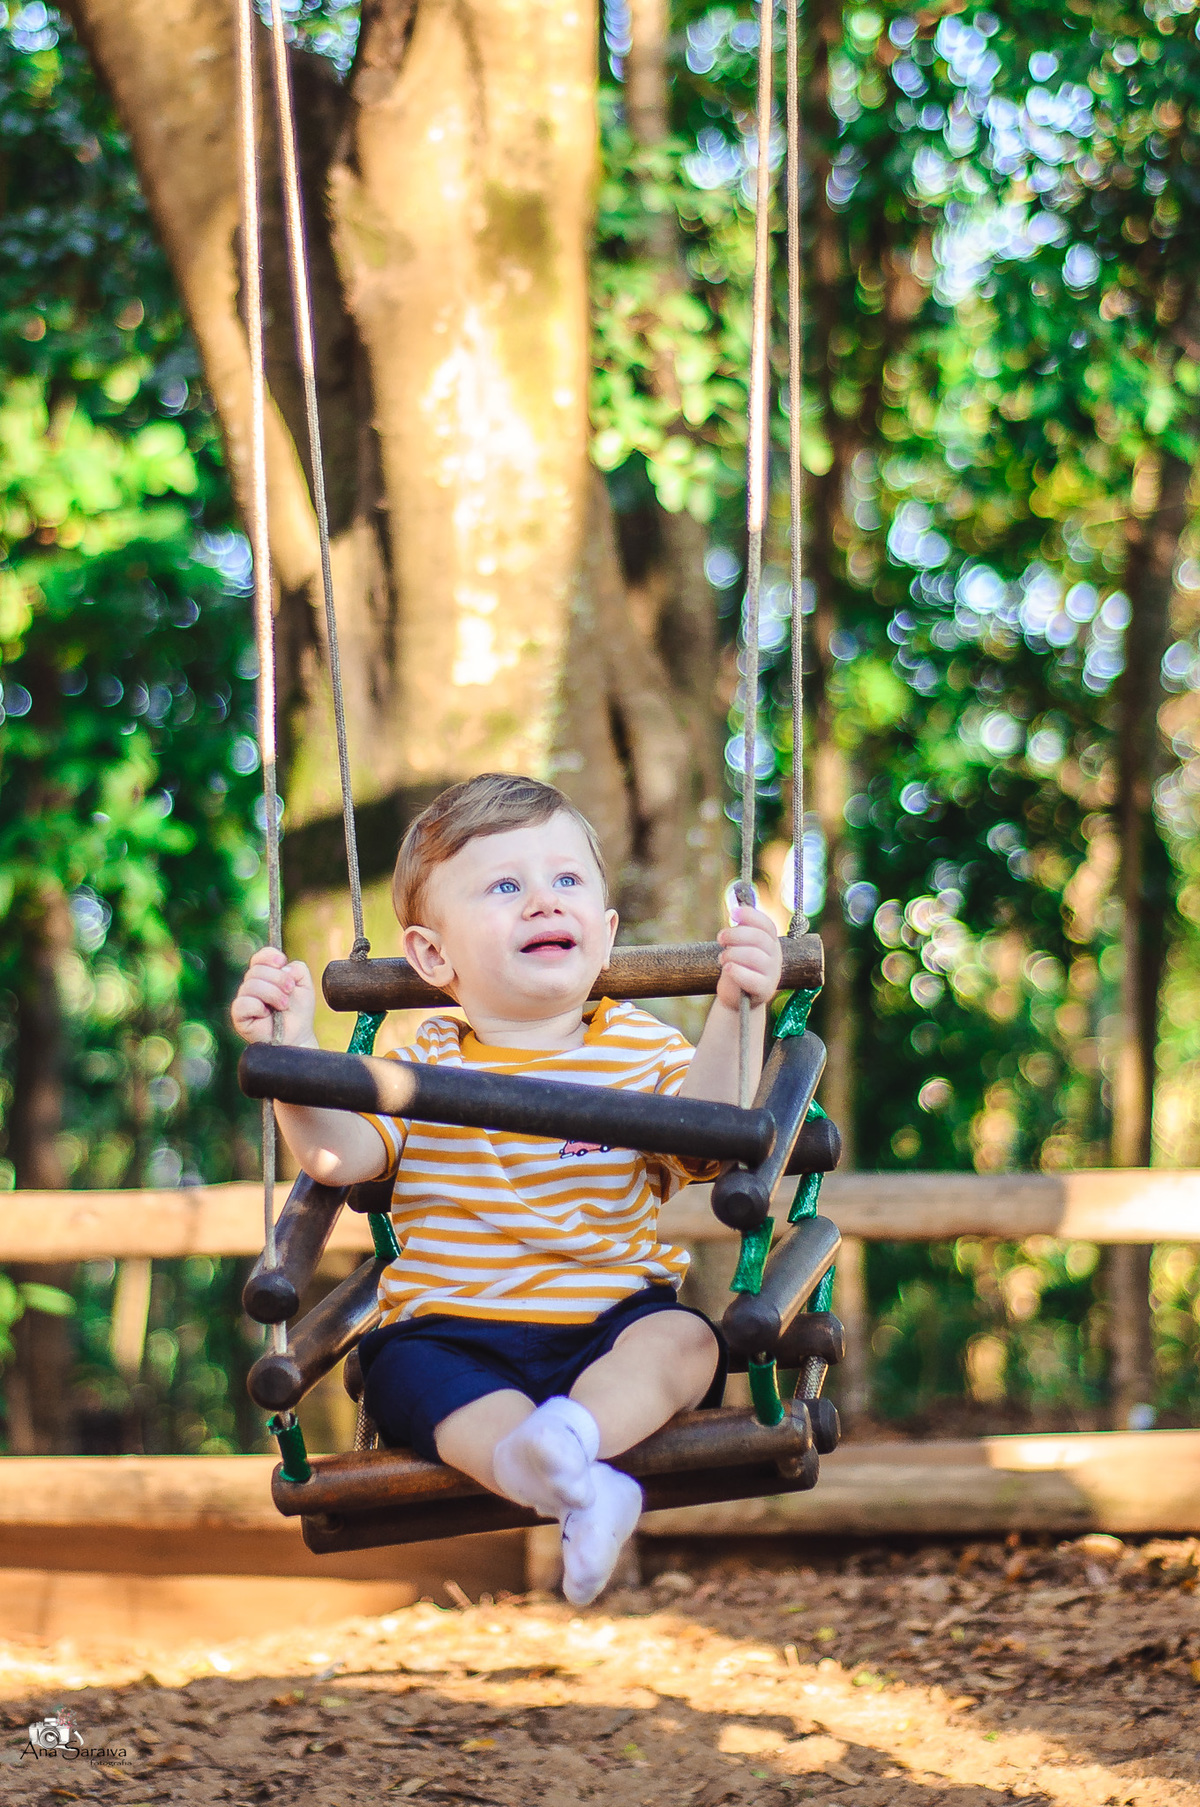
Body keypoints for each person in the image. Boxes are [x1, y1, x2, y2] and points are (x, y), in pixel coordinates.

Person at [231, 774, 781, 1603]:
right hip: (454, 1332)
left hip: (611, 1321)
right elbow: (339, 1157)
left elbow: (710, 1138)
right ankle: (567, 1477)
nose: (541, 902)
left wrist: (739, 1007)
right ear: (431, 955)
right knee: (396, 1369)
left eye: (566, 881)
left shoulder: (644, 1051)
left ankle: (571, 1440)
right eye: (503, 885)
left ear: (604, 929)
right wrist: (296, 1054)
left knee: (690, 1341)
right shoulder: (417, 1065)